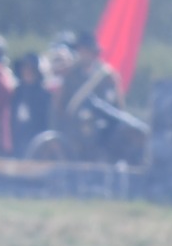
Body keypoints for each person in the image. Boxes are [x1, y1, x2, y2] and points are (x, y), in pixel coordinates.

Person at [53, 31, 123, 159]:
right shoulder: (70, 76)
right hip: (74, 137)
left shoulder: (106, 77)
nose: (83, 54)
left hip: (100, 139)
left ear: (93, 53)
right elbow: (60, 108)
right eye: (81, 51)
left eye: (86, 51)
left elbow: (116, 109)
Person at [10, 53, 51, 154]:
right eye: (25, 68)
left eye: (31, 69)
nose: (27, 71)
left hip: (37, 143)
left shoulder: (44, 95)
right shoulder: (16, 93)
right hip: (17, 141)